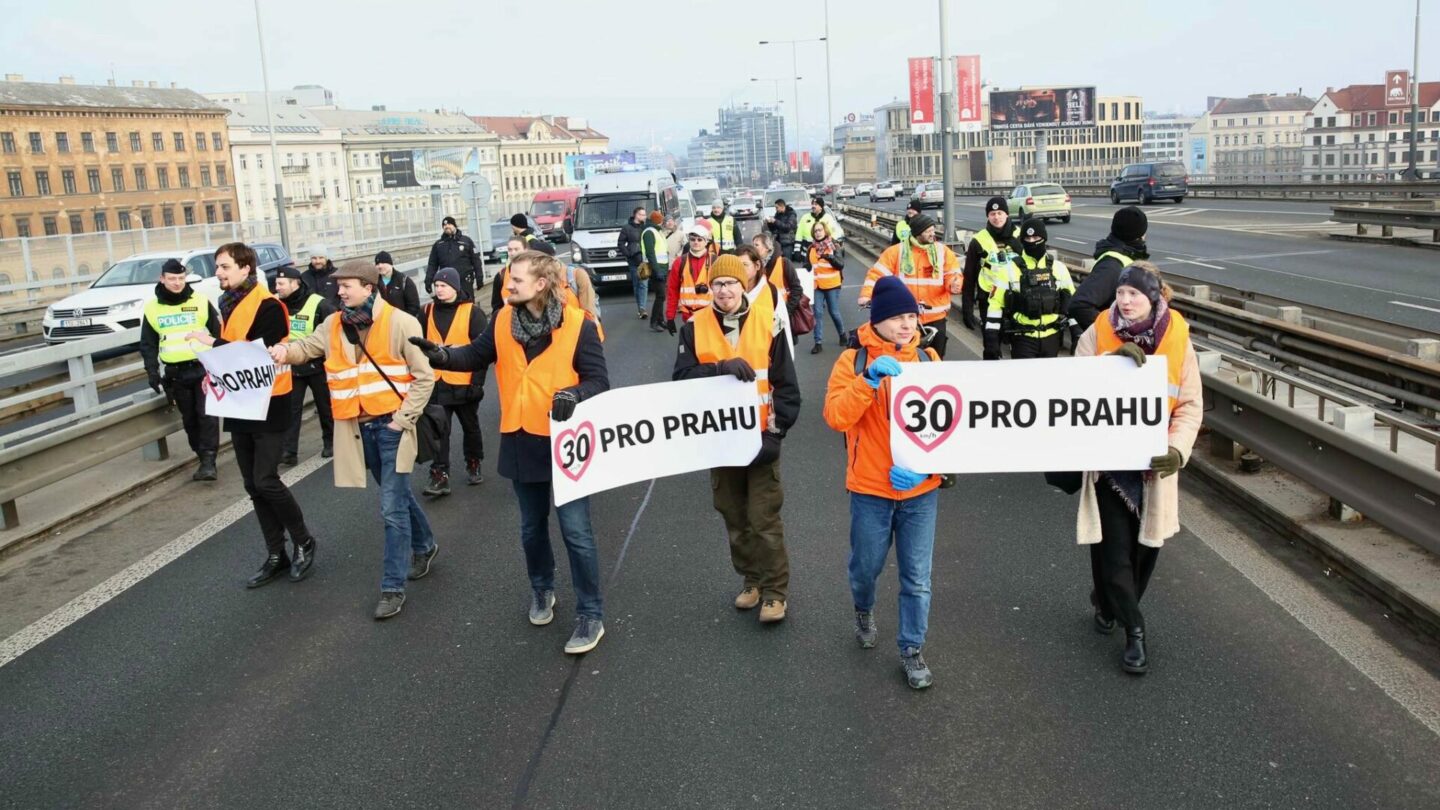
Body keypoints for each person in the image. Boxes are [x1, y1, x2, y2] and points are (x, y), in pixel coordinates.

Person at [410, 250, 610, 654]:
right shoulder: (503, 319)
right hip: (521, 438)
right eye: (507, 279)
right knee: (531, 527)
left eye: (515, 279)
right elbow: (475, 354)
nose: (507, 285)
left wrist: (575, 392)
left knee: (576, 532)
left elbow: (599, 381)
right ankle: (542, 590)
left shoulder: (578, 325)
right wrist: (443, 355)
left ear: (541, 284)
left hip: (567, 444)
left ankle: (591, 613)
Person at [271, 260, 439, 621]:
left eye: (346, 286)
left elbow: (425, 377)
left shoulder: (400, 322)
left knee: (391, 509)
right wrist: (284, 352)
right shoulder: (333, 324)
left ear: (368, 287)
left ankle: (392, 589)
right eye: (338, 286)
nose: (339, 291)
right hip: (360, 430)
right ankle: (425, 545)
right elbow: (307, 348)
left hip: (393, 428)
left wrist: (401, 420)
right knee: (399, 496)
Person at [1074, 261, 1202, 675]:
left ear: (1155, 297)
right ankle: (1136, 630)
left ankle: (1109, 604)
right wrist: (1111, 362)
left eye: (1134, 294)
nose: (1125, 302)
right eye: (1121, 293)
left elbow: (1189, 406)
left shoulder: (1179, 339)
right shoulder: (1099, 330)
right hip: (1109, 463)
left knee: (1146, 550)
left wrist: (1177, 450)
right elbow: (1070, 385)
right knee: (1112, 550)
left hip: (1153, 466)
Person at [823, 276, 943, 690]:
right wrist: (868, 381)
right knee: (866, 568)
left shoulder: (928, 360)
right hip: (870, 490)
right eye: (897, 317)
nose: (907, 325)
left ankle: (911, 650)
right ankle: (863, 606)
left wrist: (931, 472)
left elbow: (952, 431)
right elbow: (836, 417)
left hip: (919, 492)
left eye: (912, 316)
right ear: (877, 320)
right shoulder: (852, 362)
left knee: (917, 578)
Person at [673, 254, 801, 623]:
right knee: (733, 515)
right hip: (719, 442)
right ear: (709, 288)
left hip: (761, 440)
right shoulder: (693, 328)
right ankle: (752, 580)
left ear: (742, 286)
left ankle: (775, 592)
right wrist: (718, 368)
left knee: (764, 518)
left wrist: (777, 432)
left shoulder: (770, 322)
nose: (724, 290)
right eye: (717, 284)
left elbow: (787, 385)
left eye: (730, 283)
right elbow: (680, 381)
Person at [188, 243, 316, 589]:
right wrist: (212, 374)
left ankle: (304, 541)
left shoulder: (269, 305)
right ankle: (277, 554)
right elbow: (233, 356)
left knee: (265, 479)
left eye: (225, 267)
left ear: (246, 268)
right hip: (239, 402)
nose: (219, 273)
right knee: (251, 484)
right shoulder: (229, 305)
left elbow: (254, 355)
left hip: (270, 402)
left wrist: (210, 344)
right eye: (217, 267)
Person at [140, 258, 221, 481]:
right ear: (162, 279)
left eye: (181, 278)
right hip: (175, 373)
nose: (177, 283)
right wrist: (152, 372)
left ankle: (209, 460)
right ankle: (201, 453)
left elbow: (217, 332)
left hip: (203, 369)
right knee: (190, 419)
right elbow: (148, 343)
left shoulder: (200, 300)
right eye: (172, 279)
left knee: (207, 416)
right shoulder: (152, 308)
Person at [414, 267, 489, 497]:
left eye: (443, 285)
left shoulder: (472, 313)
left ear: (455, 287)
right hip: (437, 383)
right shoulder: (426, 311)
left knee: (470, 427)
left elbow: (482, 352)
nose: (439, 289)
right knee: (438, 430)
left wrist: (477, 383)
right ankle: (440, 475)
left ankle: (473, 461)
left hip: (464, 383)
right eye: (436, 286)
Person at [858, 214, 962, 358]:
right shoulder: (896, 252)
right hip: (906, 318)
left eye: (933, 230)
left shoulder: (942, 251)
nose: (933, 234)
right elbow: (877, 274)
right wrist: (866, 295)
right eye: (928, 231)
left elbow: (952, 273)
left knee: (936, 359)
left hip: (936, 316)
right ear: (918, 233)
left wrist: (954, 284)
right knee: (906, 360)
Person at [982, 218, 1076, 360]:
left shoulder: (1059, 268)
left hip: (1052, 337)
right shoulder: (1008, 269)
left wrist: (1076, 332)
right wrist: (991, 339)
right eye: (1027, 237)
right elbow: (995, 305)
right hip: (1022, 339)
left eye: (1036, 237)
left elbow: (1071, 303)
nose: (1031, 241)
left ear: (1044, 238)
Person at [274, 265, 336, 465]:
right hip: (291, 366)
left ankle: (331, 442)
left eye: (282, 284)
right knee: (290, 410)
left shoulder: (319, 304)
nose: (278, 287)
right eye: (277, 283)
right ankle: (289, 451)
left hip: (318, 365)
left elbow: (334, 331)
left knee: (325, 406)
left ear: (295, 283)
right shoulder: (276, 304)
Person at [1068, 206, 1150, 335]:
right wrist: (1112, 334)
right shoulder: (1112, 265)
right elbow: (1079, 305)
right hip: (1116, 350)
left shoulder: (1125, 257)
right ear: (1140, 235)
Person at [960, 197, 1020, 331]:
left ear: (1007, 214)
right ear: (988, 216)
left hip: (1018, 298)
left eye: (1000, 213)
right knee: (992, 346)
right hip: (988, 299)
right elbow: (969, 277)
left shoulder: (1020, 236)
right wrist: (967, 309)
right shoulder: (978, 240)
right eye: (992, 214)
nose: (996, 217)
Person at [664, 222, 716, 332]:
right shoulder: (679, 262)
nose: (696, 242)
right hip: (688, 316)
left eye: (699, 239)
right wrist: (670, 317)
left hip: (711, 315)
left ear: (706, 241)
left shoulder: (715, 261)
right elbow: (672, 291)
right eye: (692, 239)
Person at [807, 221, 847, 355]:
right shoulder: (811, 248)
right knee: (817, 313)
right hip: (817, 285)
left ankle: (842, 335)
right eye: (816, 230)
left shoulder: (834, 246)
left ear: (825, 231)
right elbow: (808, 265)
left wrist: (830, 258)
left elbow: (840, 265)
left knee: (834, 312)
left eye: (820, 230)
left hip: (832, 285)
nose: (818, 232)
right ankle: (818, 342)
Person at [425, 215, 482, 298]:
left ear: (454, 226)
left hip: (464, 281)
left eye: (449, 225)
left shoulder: (466, 241)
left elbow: (476, 260)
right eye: (444, 225)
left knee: (466, 306)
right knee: (450, 307)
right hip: (447, 283)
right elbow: (432, 265)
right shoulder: (439, 245)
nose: (446, 227)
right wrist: (428, 281)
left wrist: (479, 277)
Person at [616, 205, 649, 318]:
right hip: (633, 260)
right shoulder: (627, 228)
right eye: (641, 214)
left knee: (643, 284)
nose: (643, 216)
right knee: (637, 284)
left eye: (644, 214)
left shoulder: (647, 227)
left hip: (644, 260)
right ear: (635, 215)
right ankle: (640, 307)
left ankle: (643, 308)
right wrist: (628, 253)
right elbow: (620, 243)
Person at [642, 211, 671, 330]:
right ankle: (654, 322)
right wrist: (657, 269)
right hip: (656, 268)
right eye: (661, 220)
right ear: (657, 221)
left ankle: (660, 321)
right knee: (661, 296)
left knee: (661, 295)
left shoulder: (657, 231)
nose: (662, 221)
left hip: (662, 267)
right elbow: (650, 253)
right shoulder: (649, 232)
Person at [796, 196, 845, 263]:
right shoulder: (805, 217)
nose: (813, 206)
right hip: (807, 252)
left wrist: (832, 245)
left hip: (824, 252)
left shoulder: (828, 218)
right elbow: (798, 234)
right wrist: (797, 250)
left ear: (821, 207)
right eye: (812, 204)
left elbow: (835, 233)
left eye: (816, 204)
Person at [375, 250, 421, 319]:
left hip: (401, 323)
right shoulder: (374, 282)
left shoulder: (404, 281)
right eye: (377, 264)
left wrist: (403, 321)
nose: (380, 266)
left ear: (390, 263)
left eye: (383, 262)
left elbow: (414, 306)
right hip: (382, 323)